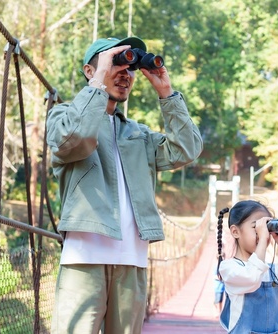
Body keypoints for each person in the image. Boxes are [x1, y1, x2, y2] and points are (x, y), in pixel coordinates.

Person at [46, 36, 203, 334]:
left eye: (130, 67)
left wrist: (166, 92)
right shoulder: (63, 115)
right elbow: (75, 139)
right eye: (116, 62)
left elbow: (188, 149)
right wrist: (98, 83)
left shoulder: (139, 134)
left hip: (133, 261)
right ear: (89, 70)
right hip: (84, 258)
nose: (125, 73)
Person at [216, 200, 278, 333]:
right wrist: (263, 240)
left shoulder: (273, 271)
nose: (263, 233)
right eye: (256, 228)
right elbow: (252, 278)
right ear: (235, 232)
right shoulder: (229, 268)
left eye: (266, 228)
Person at [213, 253, 226, 317]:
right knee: (216, 301)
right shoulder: (216, 267)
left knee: (220, 300)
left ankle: (220, 312)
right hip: (217, 287)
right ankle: (217, 311)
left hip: (222, 287)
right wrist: (221, 278)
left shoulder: (223, 267)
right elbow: (215, 276)